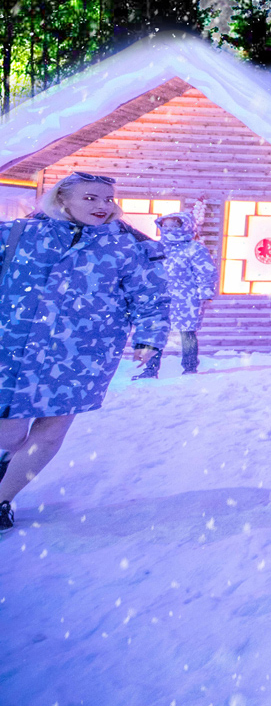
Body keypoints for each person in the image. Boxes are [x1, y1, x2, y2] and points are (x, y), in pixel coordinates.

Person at [0, 172, 168, 533]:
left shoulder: (126, 247)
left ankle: (3, 499)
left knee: (51, 432)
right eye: (91, 198)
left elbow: (150, 296)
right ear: (62, 199)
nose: (103, 206)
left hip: (83, 353)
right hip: (12, 346)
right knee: (9, 434)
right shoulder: (17, 234)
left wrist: (149, 338)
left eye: (108, 199)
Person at [134, 210, 217, 379]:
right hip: (159, 297)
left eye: (174, 226)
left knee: (187, 333)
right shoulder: (157, 247)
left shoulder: (194, 249)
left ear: (184, 226)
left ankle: (190, 368)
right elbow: (145, 270)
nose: (170, 229)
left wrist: (205, 292)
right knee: (155, 332)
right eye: (166, 226)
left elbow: (206, 271)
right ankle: (150, 369)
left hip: (186, 297)